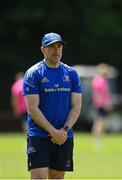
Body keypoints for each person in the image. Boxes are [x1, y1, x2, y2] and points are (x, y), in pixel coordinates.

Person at [23, 32, 83, 179]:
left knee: (57, 177)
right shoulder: (33, 73)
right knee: (39, 178)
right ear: (43, 49)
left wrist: (63, 130)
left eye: (59, 46)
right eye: (52, 47)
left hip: (64, 136)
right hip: (39, 135)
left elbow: (76, 107)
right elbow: (32, 108)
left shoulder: (71, 74)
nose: (57, 50)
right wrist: (52, 131)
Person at [91, 63, 112, 148]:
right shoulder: (98, 80)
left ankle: (99, 139)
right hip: (99, 105)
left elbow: (106, 94)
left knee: (103, 123)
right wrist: (102, 103)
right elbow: (97, 94)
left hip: (103, 105)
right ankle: (97, 140)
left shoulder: (104, 80)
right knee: (99, 123)